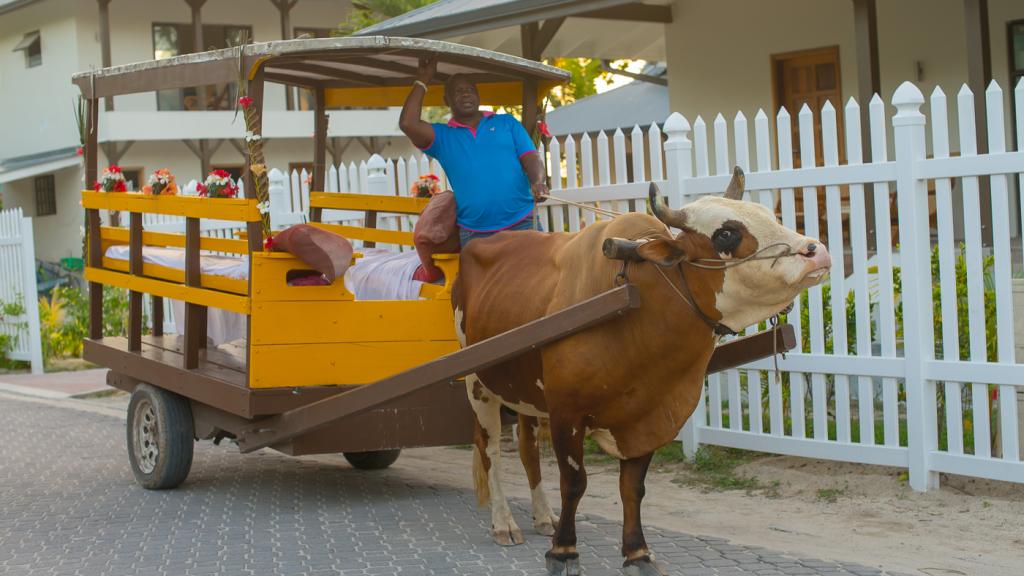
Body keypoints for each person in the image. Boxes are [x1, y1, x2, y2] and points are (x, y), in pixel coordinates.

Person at [399, 57, 549, 246]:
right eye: (458, 91)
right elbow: (408, 123)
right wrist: (423, 80)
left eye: (470, 90)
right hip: (476, 234)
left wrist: (538, 182)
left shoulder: (506, 123)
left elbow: (531, 157)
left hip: (523, 222)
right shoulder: (442, 136)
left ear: (478, 96)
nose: (466, 95)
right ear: (447, 100)